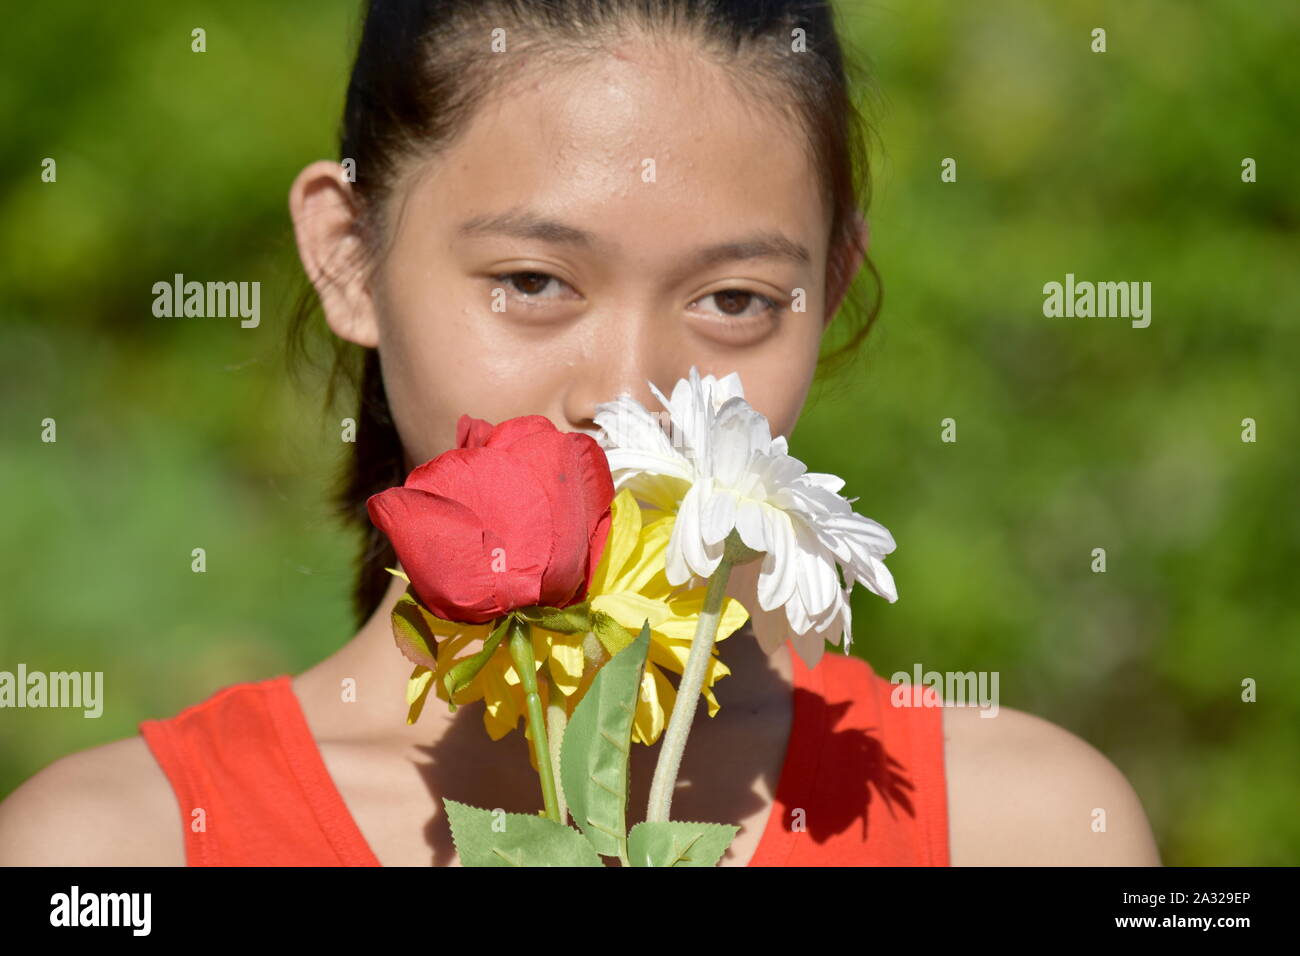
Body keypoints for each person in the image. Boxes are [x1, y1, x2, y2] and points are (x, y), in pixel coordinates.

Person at [0, 0, 1160, 866]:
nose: (628, 396)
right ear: (348, 257)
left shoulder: (1022, 827)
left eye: (734, 300)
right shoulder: (114, 850)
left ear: (834, 285)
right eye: (534, 280)